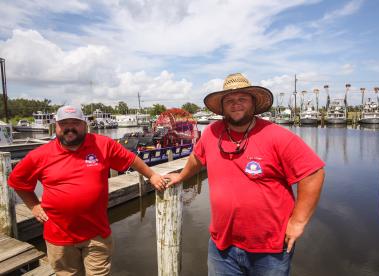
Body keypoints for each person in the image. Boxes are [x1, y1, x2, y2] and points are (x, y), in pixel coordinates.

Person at [165, 73, 325, 276]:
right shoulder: (212, 132)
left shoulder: (277, 135)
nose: (236, 104)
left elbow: (313, 174)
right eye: (229, 101)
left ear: (254, 103)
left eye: (242, 99)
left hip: (270, 250)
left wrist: (298, 222)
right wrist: (180, 176)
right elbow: (198, 158)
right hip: (222, 247)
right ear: (222, 107)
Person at [8, 105, 167, 276]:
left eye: (75, 123)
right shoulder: (39, 155)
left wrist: (151, 175)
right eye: (64, 123)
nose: (70, 128)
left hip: (96, 234)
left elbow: (131, 159)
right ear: (56, 126)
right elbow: (17, 182)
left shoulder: (103, 144)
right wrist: (33, 206)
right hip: (59, 237)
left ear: (84, 124)